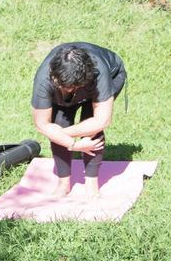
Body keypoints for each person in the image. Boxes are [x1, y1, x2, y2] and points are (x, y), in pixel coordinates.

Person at [31, 42, 127, 199]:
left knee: (90, 123)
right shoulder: (44, 79)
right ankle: (63, 184)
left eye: (73, 87)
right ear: (53, 75)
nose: (68, 91)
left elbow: (102, 120)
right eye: (64, 86)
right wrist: (72, 143)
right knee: (59, 120)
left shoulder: (98, 72)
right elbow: (41, 124)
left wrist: (62, 134)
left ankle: (91, 184)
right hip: (68, 80)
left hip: (110, 74)